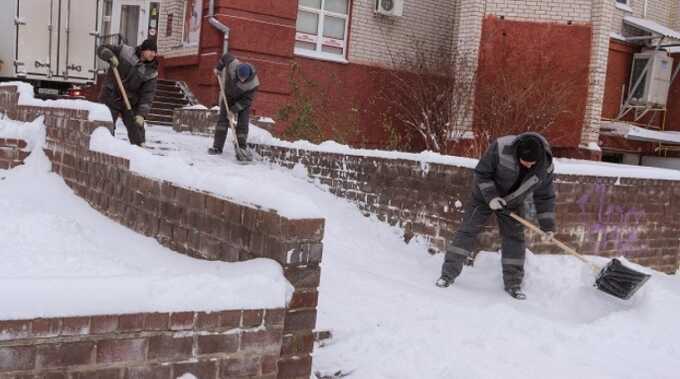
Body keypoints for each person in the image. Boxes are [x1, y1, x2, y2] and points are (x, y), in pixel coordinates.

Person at [436, 132, 557, 300]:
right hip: (484, 198)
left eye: (532, 163)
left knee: (515, 239)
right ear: (517, 152)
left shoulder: (546, 166)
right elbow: (481, 173)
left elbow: (545, 196)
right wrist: (492, 197)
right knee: (467, 231)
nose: (528, 166)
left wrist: (548, 226)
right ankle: (447, 275)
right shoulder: (501, 147)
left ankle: (513, 284)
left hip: (513, 203)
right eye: (525, 162)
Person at [97, 38, 159, 146]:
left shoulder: (151, 72)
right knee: (105, 125)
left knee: (137, 129)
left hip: (130, 103)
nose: (153, 54)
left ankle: (140, 152)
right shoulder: (125, 51)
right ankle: (103, 148)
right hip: (111, 95)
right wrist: (109, 55)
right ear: (143, 49)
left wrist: (141, 115)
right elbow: (101, 48)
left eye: (155, 52)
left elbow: (148, 95)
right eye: (150, 50)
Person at [208, 53, 260, 161]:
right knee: (222, 121)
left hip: (243, 102)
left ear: (248, 76)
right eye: (239, 77)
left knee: (243, 124)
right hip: (229, 96)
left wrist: (233, 110)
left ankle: (241, 149)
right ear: (237, 71)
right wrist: (218, 68)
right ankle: (217, 147)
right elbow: (225, 57)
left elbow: (247, 100)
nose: (241, 80)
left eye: (243, 78)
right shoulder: (233, 64)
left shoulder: (253, 84)